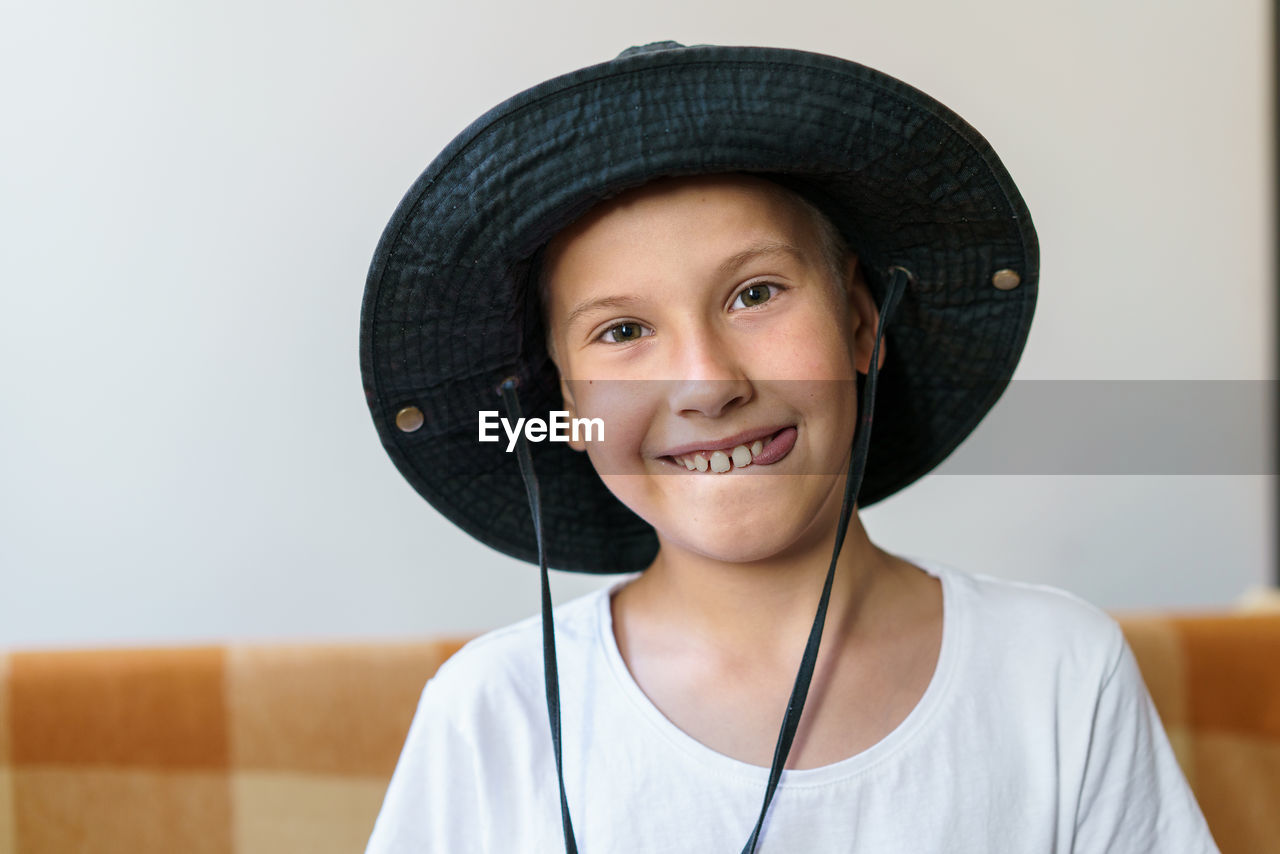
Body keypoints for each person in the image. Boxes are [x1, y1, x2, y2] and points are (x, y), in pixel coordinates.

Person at [359, 42, 1218, 853]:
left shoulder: (1058, 672)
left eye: (755, 293)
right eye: (623, 330)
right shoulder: (492, 714)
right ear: (568, 401)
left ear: (859, 322)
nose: (706, 382)